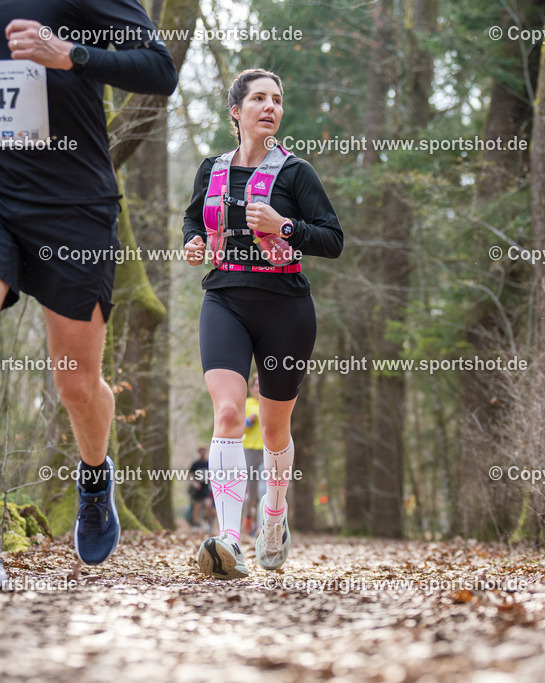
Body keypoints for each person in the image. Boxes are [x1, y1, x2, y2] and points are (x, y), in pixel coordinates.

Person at [0, 0, 177, 585]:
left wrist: (72, 55)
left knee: (76, 382)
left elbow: (159, 69)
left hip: (73, 201)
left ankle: (94, 474)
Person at [183, 68, 342, 579]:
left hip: (285, 308)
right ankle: (229, 539)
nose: (270, 106)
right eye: (258, 98)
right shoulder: (211, 169)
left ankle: (274, 515)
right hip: (224, 299)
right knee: (229, 412)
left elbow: (333, 239)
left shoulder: (297, 173)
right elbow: (193, 219)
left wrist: (285, 225)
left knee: (274, 429)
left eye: (277, 99)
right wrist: (192, 242)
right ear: (236, 111)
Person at [242, 374, 265, 536]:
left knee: (263, 490)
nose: (259, 388)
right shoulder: (246, 404)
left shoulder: (269, 403)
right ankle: (248, 516)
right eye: (256, 385)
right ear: (251, 388)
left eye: (261, 385)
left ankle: (261, 526)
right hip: (249, 451)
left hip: (265, 450)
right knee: (251, 494)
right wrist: (248, 422)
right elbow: (236, 426)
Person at [187, 447, 214, 531]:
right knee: (197, 506)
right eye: (201, 451)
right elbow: (190, 475)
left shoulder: (208, 463)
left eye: (204, 450)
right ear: (199, 452)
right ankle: (196, 524)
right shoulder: (196, 463)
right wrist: (194, 483)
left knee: (208, 504)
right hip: (198, 488)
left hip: (206, 487)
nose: (203, 452)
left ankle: (206, 521)